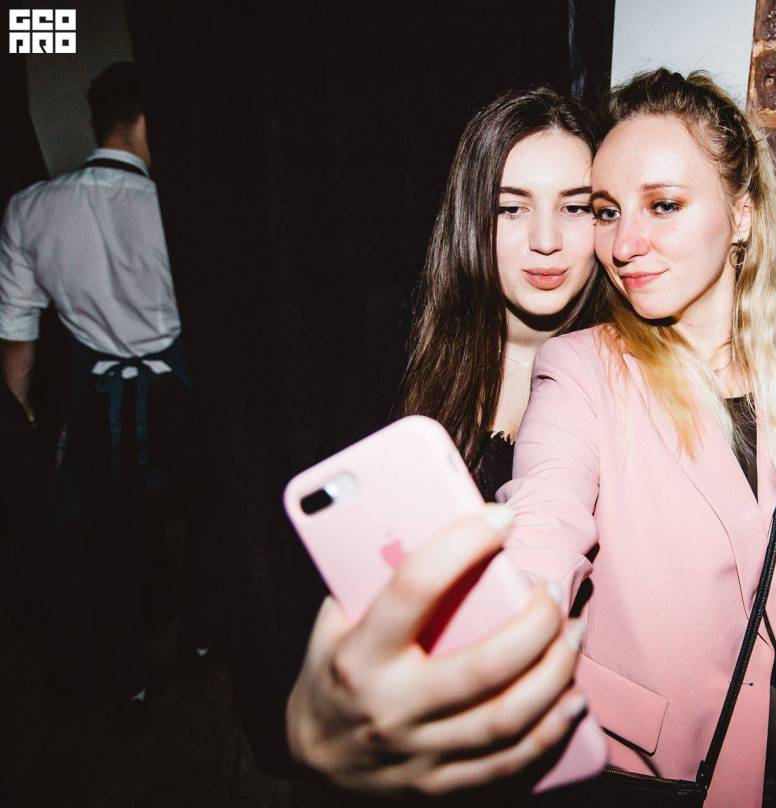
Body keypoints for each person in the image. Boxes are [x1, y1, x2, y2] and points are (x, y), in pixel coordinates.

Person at [496, 69, 776, 807]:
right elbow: (542, 524)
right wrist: (490, 635)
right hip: (660, 779)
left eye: (663, 205)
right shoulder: (579, 372)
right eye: (607, 212)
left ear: (741, 216)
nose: (623, 243)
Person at [281, 87, 604, 796]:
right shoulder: (391, 353)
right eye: (510, 208)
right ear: (470, 216)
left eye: (576, 207)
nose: (545, 239)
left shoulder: (630, 376)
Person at [0, 61, 205, 706]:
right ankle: (202, 639)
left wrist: (24, 411)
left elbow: (17, 330)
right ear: (143, 121)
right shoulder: (175, 206)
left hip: (99, 401)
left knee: (109, 533)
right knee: (209, 511)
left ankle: (130, 676)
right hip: (180, 393)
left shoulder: (30, 208)